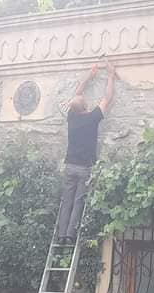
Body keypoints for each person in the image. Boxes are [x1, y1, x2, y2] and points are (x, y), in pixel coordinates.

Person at [56, 61, 117, 244]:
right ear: (86, 106)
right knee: (78, 201)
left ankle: (61, 235)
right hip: (84, 167)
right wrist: (111, 75)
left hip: (69, 166)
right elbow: (107, 97)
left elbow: (77, 94)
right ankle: (70, 235)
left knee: (67, 201)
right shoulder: (92, 117)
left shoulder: (71, 117)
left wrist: (88, 76)